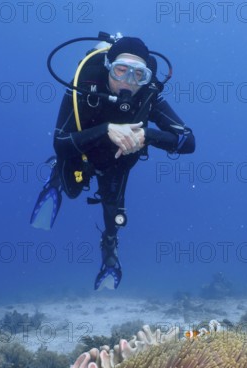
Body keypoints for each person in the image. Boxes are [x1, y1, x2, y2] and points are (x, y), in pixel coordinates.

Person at [31, 35, 195, 290]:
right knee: (72, 189)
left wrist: (148, 135)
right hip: (80, 154)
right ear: (108, 66)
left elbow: (188, 142)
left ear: (147, 76)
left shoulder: (148, 96)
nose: (128, 82)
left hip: (118, 163)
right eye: (121, 70)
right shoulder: (84, 84)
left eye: (138, 74)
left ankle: (109, 250)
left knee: (114, 215)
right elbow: (61, 142)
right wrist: (106, 129)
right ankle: (55, 179)